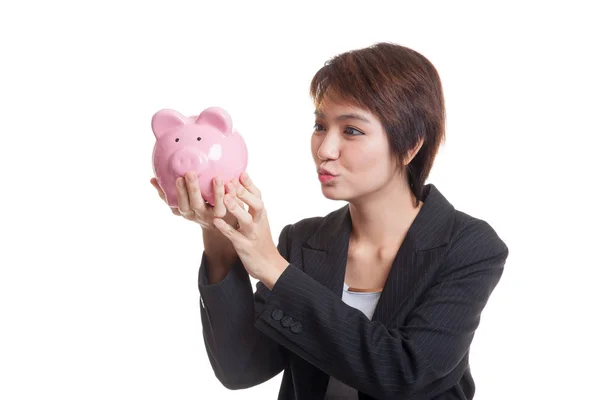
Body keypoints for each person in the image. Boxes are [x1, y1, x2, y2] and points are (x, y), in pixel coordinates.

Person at [150, 42, 509, 400]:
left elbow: (406, 373)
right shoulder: (304, 240)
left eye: (351, 130)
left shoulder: (468, 245)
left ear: (410, 146)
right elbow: (242, 369)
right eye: (320, 126)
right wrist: (218, 235)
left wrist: (275, 268)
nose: (324, 149)